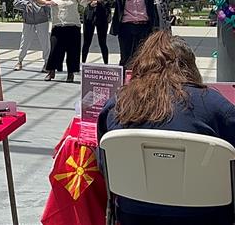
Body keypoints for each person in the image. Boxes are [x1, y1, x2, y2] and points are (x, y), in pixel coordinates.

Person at [98, 31, 235, 225]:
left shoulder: (118, 105)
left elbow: (105, 166)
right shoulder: (214, 105)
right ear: (190, 66)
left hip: (134, 213)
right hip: (206, 216)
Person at [98, 0, 204, 67]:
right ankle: (125, 81)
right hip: (126, 28)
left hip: (144, 28)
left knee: (142, 58)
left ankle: (140, 82)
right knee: (126, 58)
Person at [34, 0, 98, 83]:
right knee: (54, 50)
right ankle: (51, 71)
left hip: (73, 28)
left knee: (73, 51)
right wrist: (47, 3)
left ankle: (70, 73)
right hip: (58, 27)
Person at [13, 0, 51, 72]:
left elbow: (48, 3)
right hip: (28, 20)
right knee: (24, 41)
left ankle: (47, 63)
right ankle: (19, 61)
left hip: (42, 20)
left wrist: (46, 13)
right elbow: (15, 3)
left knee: (45, 42)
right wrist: (24, 4)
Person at [81, 0, 113, 64]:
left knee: (102, 42)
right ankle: (83, 63)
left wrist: (100, 2)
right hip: (89, 17)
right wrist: (88, 2)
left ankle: (106, 64)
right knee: (86, 42)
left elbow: (112, 1)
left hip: (102, 17)